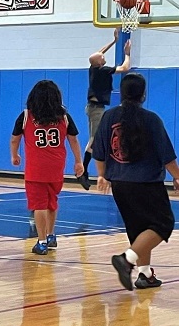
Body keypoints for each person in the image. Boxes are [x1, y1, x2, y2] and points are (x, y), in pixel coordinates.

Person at [92, 73, 179, 290]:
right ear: (143, 94)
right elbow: (166, 155)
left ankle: (145, 274)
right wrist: (178, 176)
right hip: (146, 183)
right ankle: (127, 260)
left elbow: (99, 152)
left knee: (140, 230)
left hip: (120, 183)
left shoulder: (109, 117)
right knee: (162, 224)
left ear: (121, 93)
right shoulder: (151, 119)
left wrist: (102, 175)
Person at [10, 80, 84, 255]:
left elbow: (15, 138)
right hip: (57, 167)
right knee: (52, 202)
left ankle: (41, 241)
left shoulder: (26, 115)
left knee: (39, 205)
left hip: (36, 169)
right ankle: (51, 235)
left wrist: (14, 155)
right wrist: (78, 161)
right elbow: (73, 139)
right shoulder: (64, 116)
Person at [77, 29, 131, 190]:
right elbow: (125, 68)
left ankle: (87, 170)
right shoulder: (103, 70)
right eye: (102, 58)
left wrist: (114, 41)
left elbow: (97, 53)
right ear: (100, 63)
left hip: (93, 107)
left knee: (95, 139)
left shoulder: (93, 67)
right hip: (96, 109)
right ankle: (83, 171)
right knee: (94, 139)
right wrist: (127, 53)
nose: (103, 56)